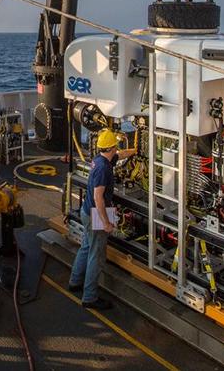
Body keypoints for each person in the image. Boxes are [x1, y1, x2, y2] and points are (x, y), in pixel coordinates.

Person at [68, 128, 137, 310]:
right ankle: (89, 297)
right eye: (116, 146)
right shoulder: (103, 170)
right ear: (112, 147)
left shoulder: (100, 160)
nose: (117, 148)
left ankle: (74, 281)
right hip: (96, 214)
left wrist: (136, 151)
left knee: (86, 247)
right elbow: (99, 198)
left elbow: (120, 155)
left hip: (86, 211)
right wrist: (106, 222)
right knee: (96, 255)